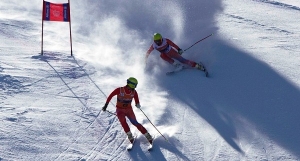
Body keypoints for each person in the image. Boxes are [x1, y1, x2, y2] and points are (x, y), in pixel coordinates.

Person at [102, 77, 153, 144]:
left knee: (135, 122)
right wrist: (106, 105)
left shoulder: (134, 92)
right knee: (123, 121)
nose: (135, 87)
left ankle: (147, 135)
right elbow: (110, 96)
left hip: (129, 110)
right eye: (135, 85)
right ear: (131, 84)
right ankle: (130, 136)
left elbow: (136, 99)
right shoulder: (119, 90)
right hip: (120, 110)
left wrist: (137, 104)